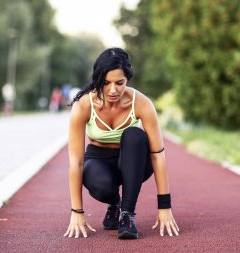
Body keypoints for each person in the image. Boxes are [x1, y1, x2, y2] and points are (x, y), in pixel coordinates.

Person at [63, 48, 179, 239]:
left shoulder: (141, 103)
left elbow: (158, 154)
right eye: (106, 83)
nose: (113, 90)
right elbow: (76, 162)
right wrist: (77, 212)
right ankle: (115, 204)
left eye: (119, 83)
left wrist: (164, 206)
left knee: (135, 135)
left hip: (135, 162)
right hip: (99, 159)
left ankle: (127, 214)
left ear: (127, 80)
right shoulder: (84, 105)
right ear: (98, 79)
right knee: (101, 184)